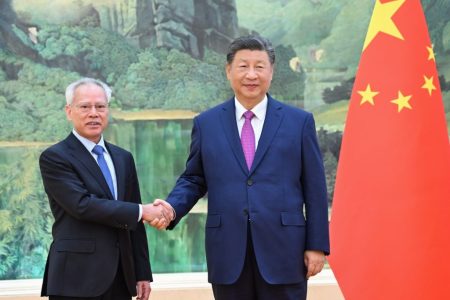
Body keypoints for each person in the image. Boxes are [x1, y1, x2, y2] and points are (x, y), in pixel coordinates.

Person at [153, 35, 330, 300]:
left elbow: (315, 188)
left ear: (271, 72)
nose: (251, 74)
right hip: (228, 253)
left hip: (285, 251)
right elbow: (194, 179)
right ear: (228, 71)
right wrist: (171, 207)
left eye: (259, 66)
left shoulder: (299, 122)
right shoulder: (207, 123)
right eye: (243, 66)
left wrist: (317, 245)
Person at [39, 78, 173, 300]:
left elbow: (135, 222)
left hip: (121, 277)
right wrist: (143, 211)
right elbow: (81, 205)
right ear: (69, 111)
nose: (94, 113)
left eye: (100, 106)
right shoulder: (55, 157)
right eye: (85, 106)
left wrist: (142, 273)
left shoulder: (123, 158)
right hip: (76, 278)